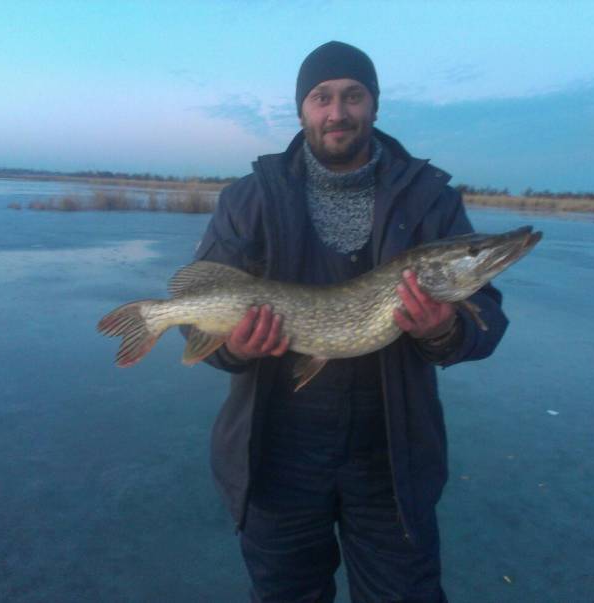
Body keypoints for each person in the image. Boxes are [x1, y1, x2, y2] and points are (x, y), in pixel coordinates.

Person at [191, 41, 508, 603]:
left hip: (391, 450)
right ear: (302, 110)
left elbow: (486, 323)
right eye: (322, 97)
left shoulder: (431, 200)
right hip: (276, 452)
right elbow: (207, 334)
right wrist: (236, 348)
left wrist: (442, 329)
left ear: (375, 105)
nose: (338, 111)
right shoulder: (248, 200)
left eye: (353, 95)